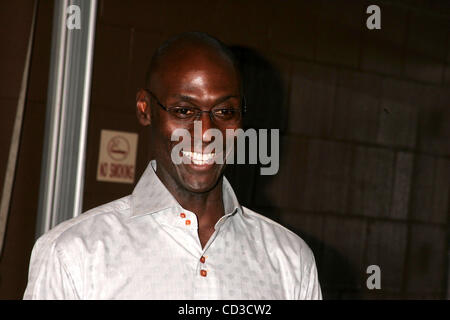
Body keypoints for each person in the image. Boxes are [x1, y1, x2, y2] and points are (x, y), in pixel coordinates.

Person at [23, 32, 322, 300]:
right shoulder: (73, 254)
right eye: (183, 110)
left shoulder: (290, 262)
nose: (206, 132)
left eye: (224, 111)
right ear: (145, 109)